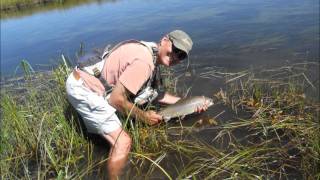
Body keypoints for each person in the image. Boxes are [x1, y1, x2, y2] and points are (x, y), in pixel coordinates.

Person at [65, 30, 209, 179]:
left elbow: (152, 94)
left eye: (182, 56)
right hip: (84, 89)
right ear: (165, 39)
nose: (176, 57)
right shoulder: (145, 62)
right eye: (176, 50)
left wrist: (188, 103)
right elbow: (115, 99)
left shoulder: (151, 53)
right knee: (123, 142)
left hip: (88, 81)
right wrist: (144, 116)